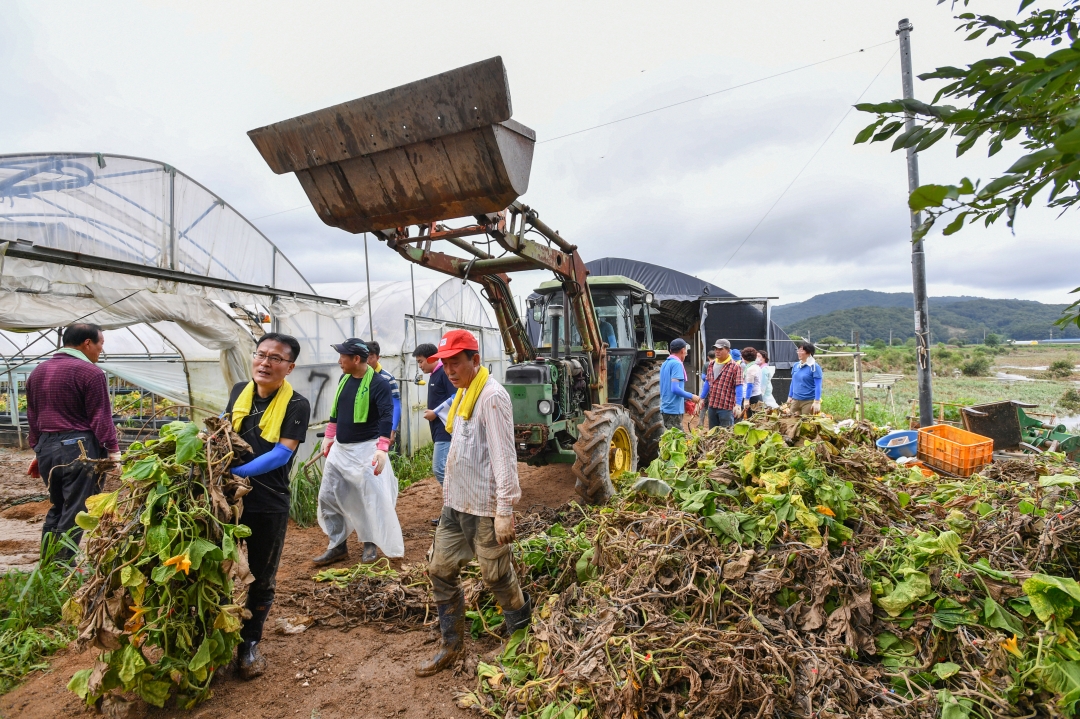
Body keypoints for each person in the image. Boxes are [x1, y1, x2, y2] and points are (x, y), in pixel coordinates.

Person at [416, 329, 527, 677]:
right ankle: (451, 645)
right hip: (455, 503)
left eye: (455, 363)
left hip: (484, 506)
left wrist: (504, 510)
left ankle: (520, 640)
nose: (449, 370)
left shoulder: (491, 396)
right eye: (444, 363)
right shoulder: (465, 392)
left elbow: (503, 456)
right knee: (439, 570)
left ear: (475, 360)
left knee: (496, 575)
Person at [223, 333, 311, 679]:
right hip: (228, 500)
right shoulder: (239, 392)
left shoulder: (296, 404)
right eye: (261, 355)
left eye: (276, 358)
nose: (265, 362)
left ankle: (249, 645)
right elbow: (223, 431)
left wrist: (235, 471)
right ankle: (215, 634)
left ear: (289, 367)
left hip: (267, 502)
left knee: (261, 576)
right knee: (218, 567)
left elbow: (281, 453)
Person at [25, 323, 120, 559]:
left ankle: (48, 564)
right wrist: (113, 451)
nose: (101, 351)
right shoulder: (91, 373)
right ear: (87, 343)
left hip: (48, 448)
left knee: (58, 506)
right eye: (100, 344)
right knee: (77, 508)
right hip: (79, 449)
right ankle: (61, 567)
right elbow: (100, 417)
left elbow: (33, 416)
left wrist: (39, 451)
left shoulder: (38, 371)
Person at [313, 338, 401, 567]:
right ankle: (337, 545)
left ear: (356, 359)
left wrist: (382, 450)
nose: (339, 360)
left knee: (369, 498)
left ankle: (370, 543)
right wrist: (330, 436)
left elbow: (386, 416)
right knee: (328, 496)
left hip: (366, 449)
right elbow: (337, 409)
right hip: (341, 449)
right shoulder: (345, 379)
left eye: (343, 356)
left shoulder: (378, 383)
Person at [416, 342, 456, 525]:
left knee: (440, 469)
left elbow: (456, 397)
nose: (420, 365)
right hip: (439, 429)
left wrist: (436, 411)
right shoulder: (435, 375)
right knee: (446, 470)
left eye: (421, 361)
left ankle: (456, 508)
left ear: (432, 358)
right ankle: (453, 511)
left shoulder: (443, 374)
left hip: (445, 430)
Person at [364, 340, 401, 446]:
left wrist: (392, 430)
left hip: (380, 429)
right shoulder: (358, 376)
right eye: (365, 357)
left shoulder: (387, 378)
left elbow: (396, 404)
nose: (367, 361)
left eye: (371, 357)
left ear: (378, 357)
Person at [701, 339, 743, 429]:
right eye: (716, 349)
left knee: (725, 435)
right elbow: (707, 383)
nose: (717, 351)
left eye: (720, 349)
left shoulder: (735, 367)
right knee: (712, 435)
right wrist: (701, 398)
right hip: (712, 406)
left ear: (728, 350)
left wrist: (738, 404)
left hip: (726, 408)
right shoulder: (711, 365)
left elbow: (739, 385)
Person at [659, 339, 699, 431]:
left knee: (670, 440)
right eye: (686, 351)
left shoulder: (665, 363)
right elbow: (675, 389)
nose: (686, 354)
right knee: (678, 441)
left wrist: (685, 401)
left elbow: (668, 388)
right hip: (673, 409)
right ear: (682, 350)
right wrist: (691, 396)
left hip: (667, 408)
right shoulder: (676, 364)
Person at [788, 341, 823, 414]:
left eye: (801, 350)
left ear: (809, 353)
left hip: (808, 401)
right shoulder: (796, 365)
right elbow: (793, 382)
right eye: (798, 350)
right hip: (795, 400)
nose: (799, 352)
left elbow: (818, 385)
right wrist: (790, 396)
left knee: (806, 422)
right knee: (790, 422)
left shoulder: (815, 367)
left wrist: (817, 401)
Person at [740, 347, 762, 417]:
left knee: (752, 420)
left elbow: (750, 386)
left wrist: (746, 399)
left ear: (743, 357)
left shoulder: (750, 369)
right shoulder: (755, 366)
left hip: (752, 398)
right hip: (756, 395)